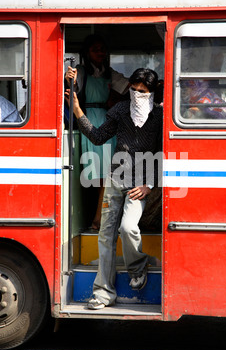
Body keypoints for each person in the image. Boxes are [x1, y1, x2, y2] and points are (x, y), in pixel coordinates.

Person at [65, 68, 163, 309]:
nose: (138, 94)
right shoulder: (120, 110)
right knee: (105, 236)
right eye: (134, 89)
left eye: (143, 91)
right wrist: (77, 110)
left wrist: (149, 185)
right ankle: (103, 293)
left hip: (139, 184)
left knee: (128, 228)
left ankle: (137, 268)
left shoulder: (160, 116)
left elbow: (165, 152)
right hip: (115, 179)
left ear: (151, 92)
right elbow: (98, 137)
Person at [65, 34, 129, 230]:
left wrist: (115, 99)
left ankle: (103, 218)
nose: (100, 52)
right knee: (94, 173)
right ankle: (96, 218)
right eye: (95, 49)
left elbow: (129, 89)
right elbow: (71, 89)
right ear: (87, 53)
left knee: (109, 171)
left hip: (108, 121)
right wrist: (70, 80)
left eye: (102, 49)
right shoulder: (81, 72)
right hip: (88, 118)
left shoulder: (110, 73)